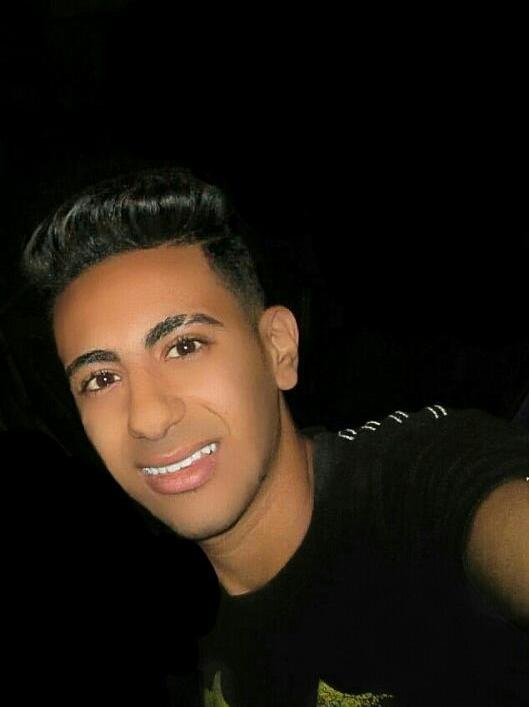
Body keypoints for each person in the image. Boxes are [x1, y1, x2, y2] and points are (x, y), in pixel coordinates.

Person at [21, 167, 528, 707]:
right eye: (100, 379)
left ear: (277, 348)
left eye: (185, 346)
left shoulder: (416, 488)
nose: (146, 417)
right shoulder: (191, 645)